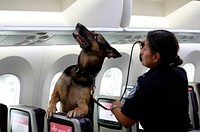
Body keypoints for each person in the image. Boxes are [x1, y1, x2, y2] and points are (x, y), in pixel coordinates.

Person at [111, 30, 192, 132]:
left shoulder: (146, 82)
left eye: (144, 49)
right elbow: (158, 105)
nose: (141, 52)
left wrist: (114, 107)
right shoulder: (180, 73)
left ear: (155, 57)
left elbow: (127, 121)